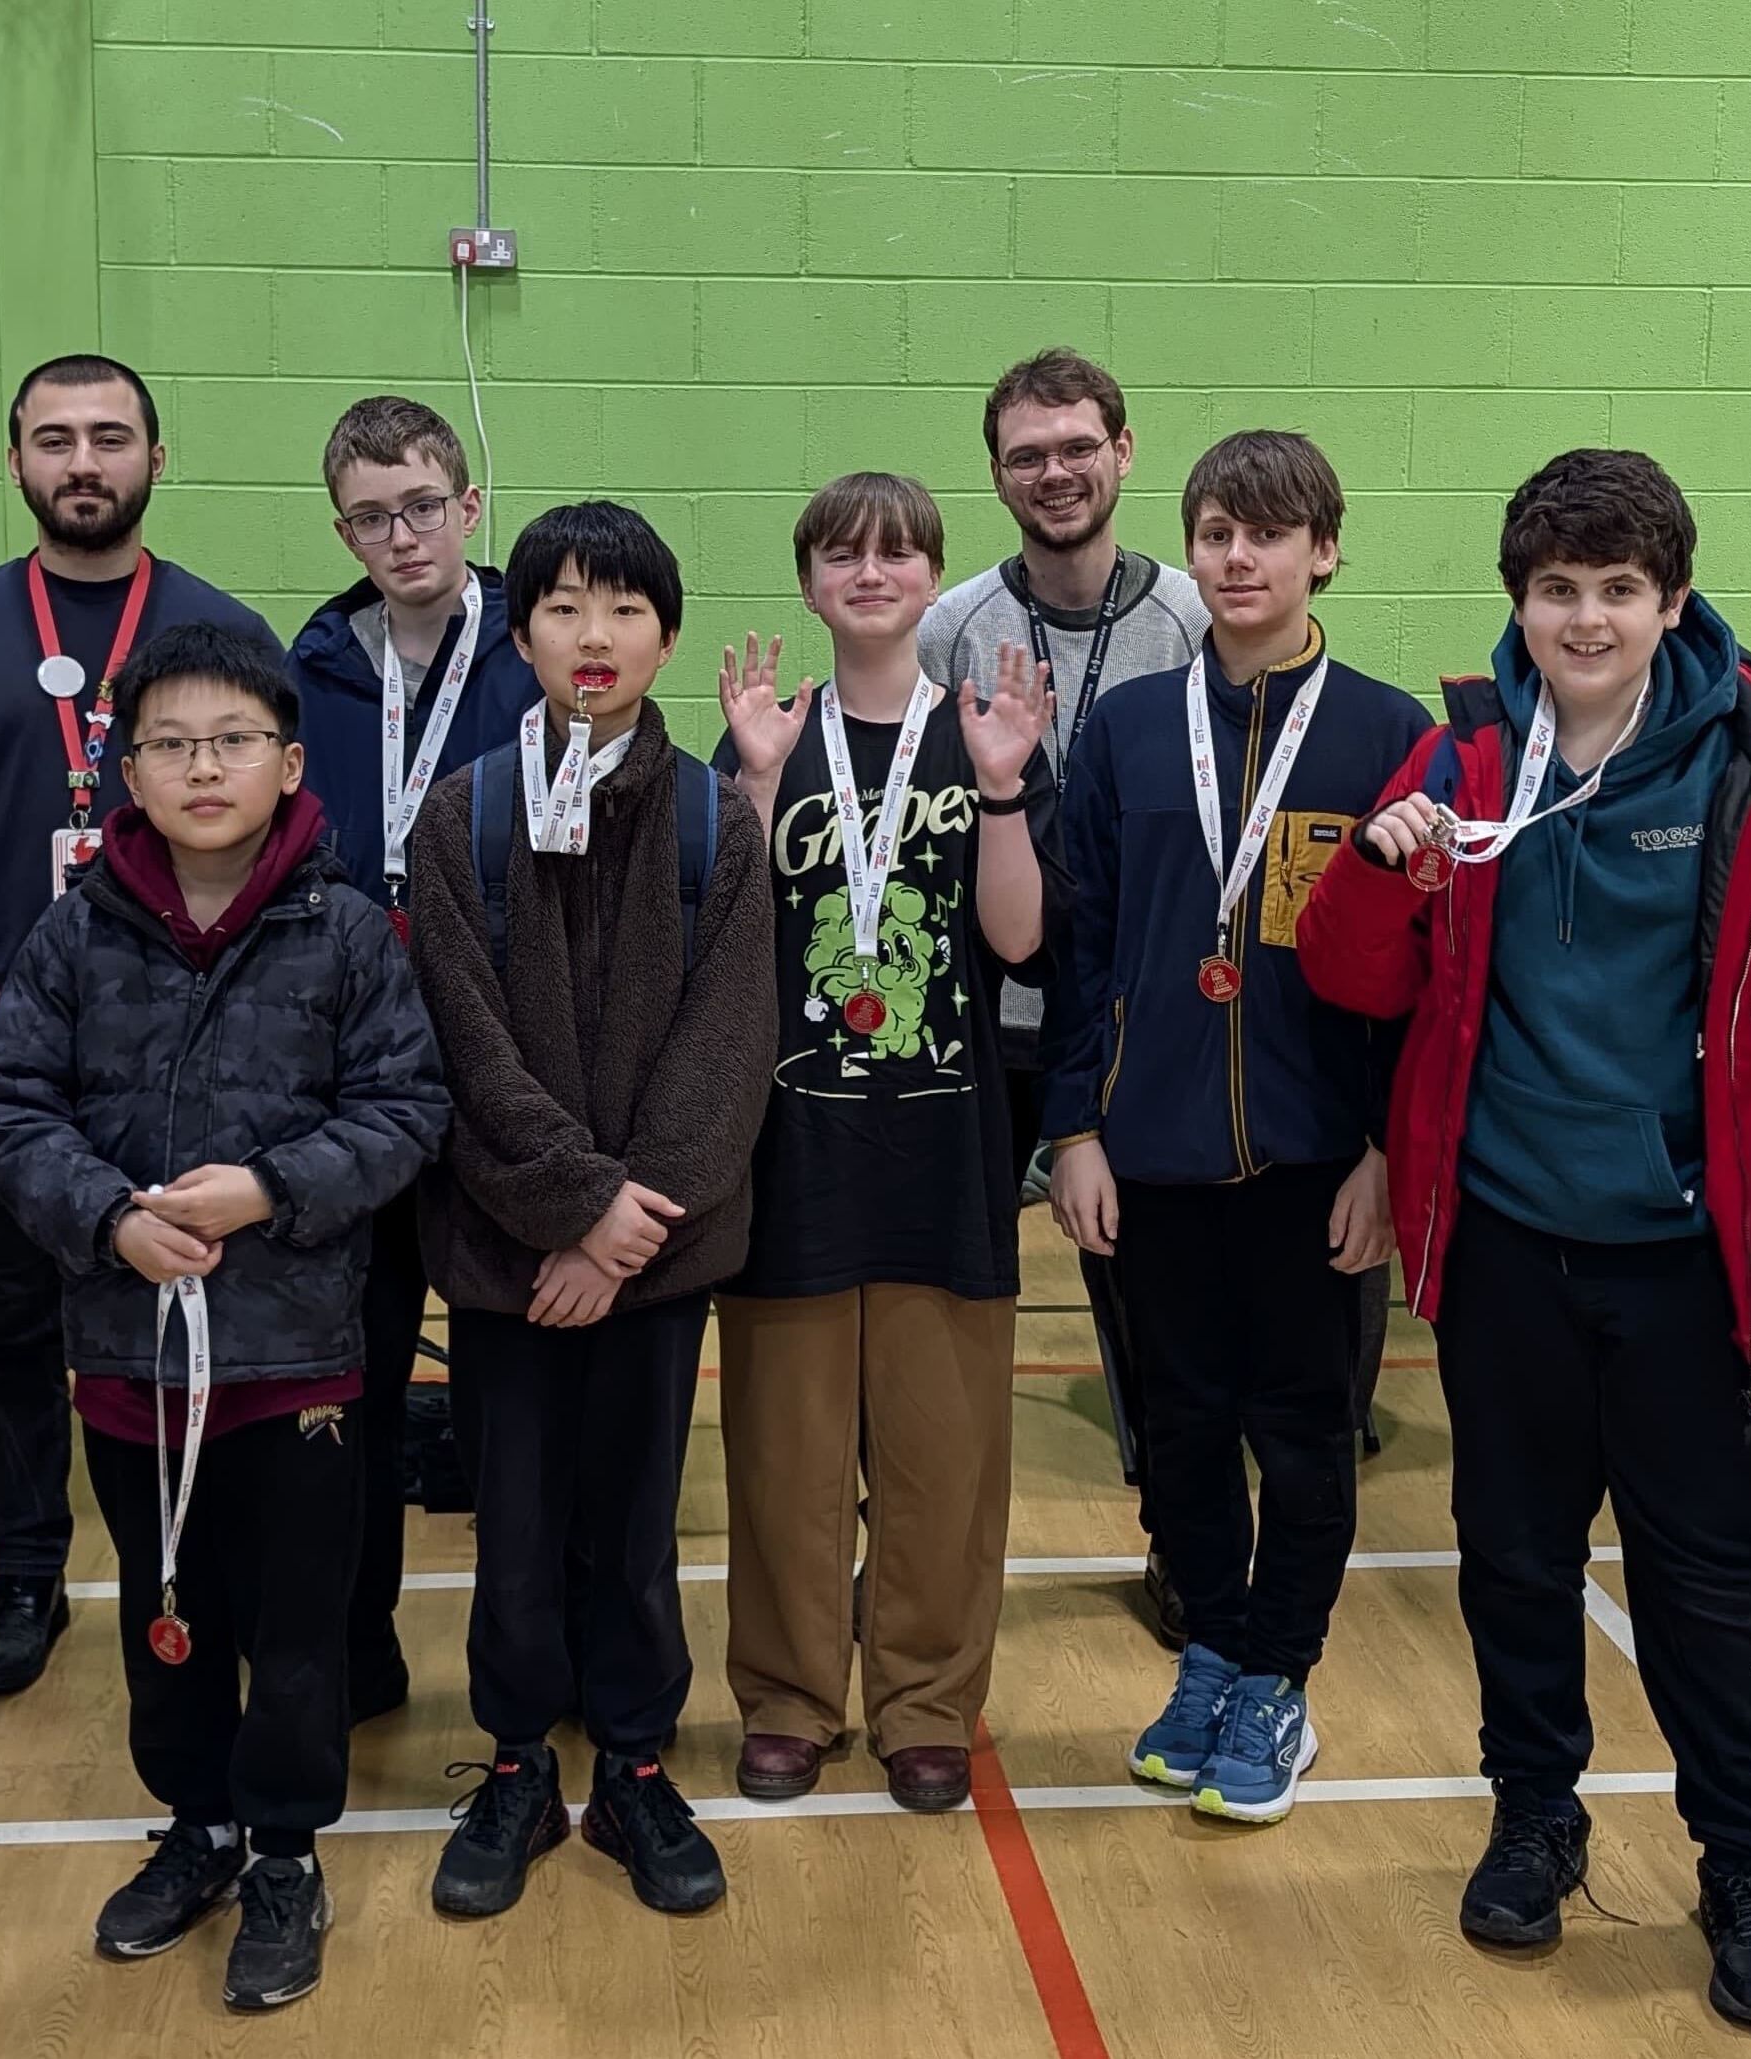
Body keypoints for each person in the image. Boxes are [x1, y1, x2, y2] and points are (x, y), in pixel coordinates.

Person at [1296, 448, 1751, 2031]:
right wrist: (1375, 862)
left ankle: (1748, 1863)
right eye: (1558, 589)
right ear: (1521, 600)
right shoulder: (1466, 753)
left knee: (1710, 1586)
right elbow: (1360, 982)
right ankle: (1536, 1815)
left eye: (1618, 590)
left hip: (1694, 1262)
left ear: (1672, 603)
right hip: (1504, 1243)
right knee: (1512, 1558)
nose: (1587, 617)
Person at [0, 621, 448, 2013]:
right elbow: (5, 1106)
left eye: (232, 740)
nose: (202, 767)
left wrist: (268, 1189)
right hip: (128, 1356)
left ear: (289, 762)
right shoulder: (73, 933)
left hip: (295, 1356)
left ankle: (286, 1847)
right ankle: (199, 1825)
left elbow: (405, 1108)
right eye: (169, 743)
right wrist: (111, 1214)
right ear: (127, 768)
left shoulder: (348, 930)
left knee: (296, 1622)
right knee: (166, 1611)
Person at [0, 354, 288, 1700]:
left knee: (194, 1304)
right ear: (17, 463)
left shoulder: (222, 632)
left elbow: (287, 831)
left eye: (110, 436)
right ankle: (25, 1566)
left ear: (158, 457)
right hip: (14, 1044)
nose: (83, 460)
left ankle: (206, 1555)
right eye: (56, 438)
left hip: (190, 1042)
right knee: (12, 1320)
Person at [1040, 431, 1429, 1824]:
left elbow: (1418, 977)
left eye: (1270, 533)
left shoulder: (1392, 736)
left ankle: (1280, 1674)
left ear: (1324, 547)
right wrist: (1074, 1128)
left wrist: (1387, 1149)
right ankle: (1210, 1645)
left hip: (1319, 1161)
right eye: (1216, 533)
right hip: (1151, 1156)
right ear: (1190, 548)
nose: (1240, 558)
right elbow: (1078, 950)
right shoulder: (1133, 728)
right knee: (1182, 1430)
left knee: (1308, 1432)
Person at [399, 500, 776, 1920]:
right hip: (510, 1255)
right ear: (523, 634)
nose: (594, 634)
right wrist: (563, 1209)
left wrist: (627, 1230)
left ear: (665, 636)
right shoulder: (461, 813)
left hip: (653, 1263)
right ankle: (512, 1758)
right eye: (562, 606)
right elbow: (461, 1040)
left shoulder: (712, 822)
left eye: (623, 608)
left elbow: (729, 1044)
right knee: (512, 1507)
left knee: (632, 1513)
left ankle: (629, 1754)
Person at [710, 473, 1052, 1814]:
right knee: (785, 1463)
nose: (869, 570)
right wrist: (744, 779)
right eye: (842, 553)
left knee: (941, 1464)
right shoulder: (767, 735)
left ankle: (924, 1699)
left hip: (945, 1155)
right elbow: (728, 933)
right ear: (807, 583)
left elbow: (1020, 941)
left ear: (932, 577)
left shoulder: (984, 732)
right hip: (791, 1153)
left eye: (897, 550)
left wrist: (1012, 789)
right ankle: (789, 1697)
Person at [916, 348, 1217, 1630]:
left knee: (1150, 1310)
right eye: (1027, 454)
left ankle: (1184, 1547)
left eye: (1075, 446)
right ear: (997, 475)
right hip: (988, 1020)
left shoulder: (1197, 617)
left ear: (1123, 452)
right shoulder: (954, 627)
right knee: (940, 1299)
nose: (1054, 471)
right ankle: (922, 1558)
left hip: (1133, 1020)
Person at [280, 394, 541, 1723]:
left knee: (508, 1395)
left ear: (468, 506)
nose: (403, 533)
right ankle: (356, 1645)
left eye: (423, 505)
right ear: (346, 528)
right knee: (361, 1377)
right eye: (374, 515)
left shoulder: (541, 647)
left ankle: (527, 1659)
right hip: (358, 1078)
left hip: (504, 1066)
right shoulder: (310, 665)